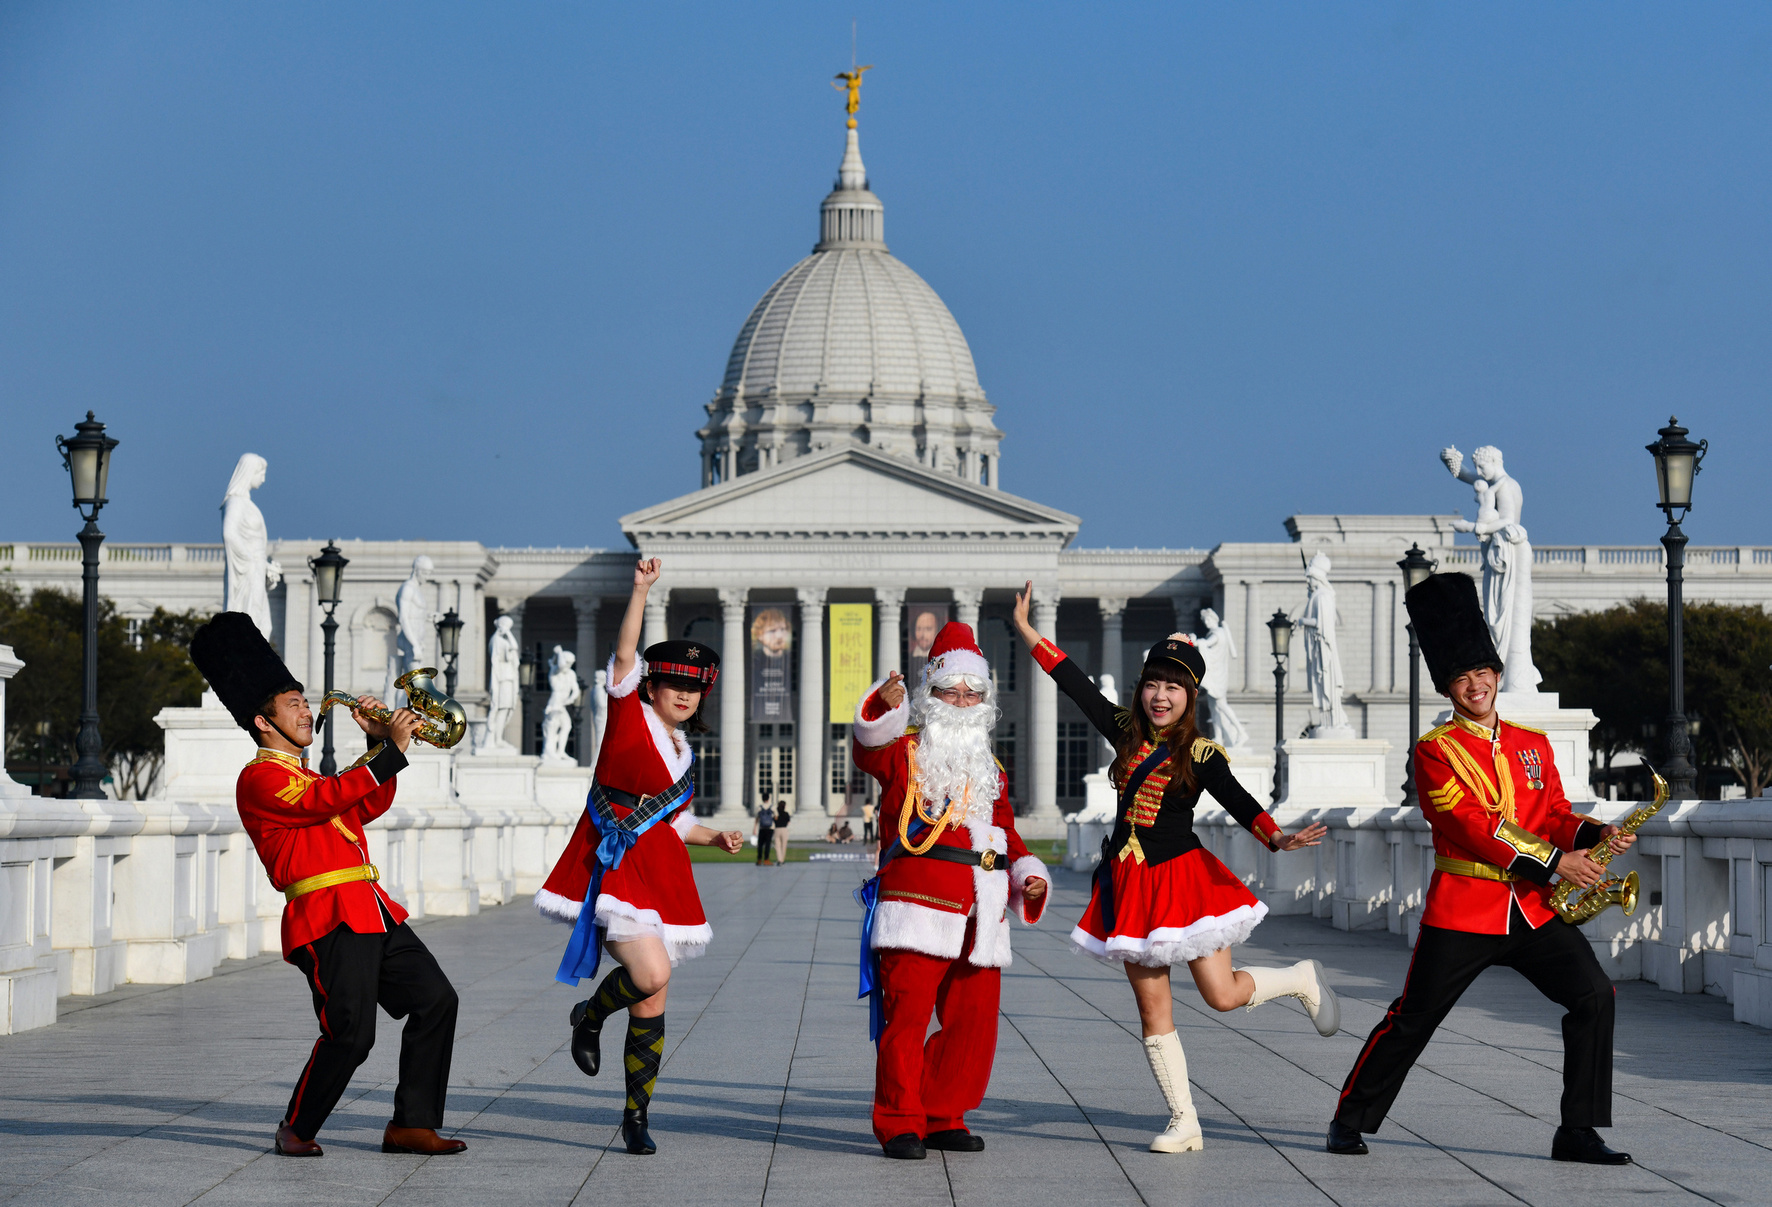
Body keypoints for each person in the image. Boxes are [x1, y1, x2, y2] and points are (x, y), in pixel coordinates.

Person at [1012, 583, 1337, 1155]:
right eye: (1153, 685)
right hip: (1130, 885)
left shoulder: (1201, 755)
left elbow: (1240, 802)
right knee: (1151, 1006)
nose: (1160, 697)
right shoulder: (1124, 732)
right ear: (1142, 690)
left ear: (1191, 696)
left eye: (1173, 688)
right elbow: (1076, 684)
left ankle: (1300, 979)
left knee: (1222, 995)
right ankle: (1183, 1120)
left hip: (1185, 881)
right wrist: (1029, 633)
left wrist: (1277, 837)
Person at [1327, 573, 1634, 1165]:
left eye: (1483, 673)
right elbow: (1475, 826)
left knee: (1595, 995)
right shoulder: (1435, 751)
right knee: (1413, 1019)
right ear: (1449, 687)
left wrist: (1595, 835)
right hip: (1465, 908)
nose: (1476, 685)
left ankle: (1577, 1131)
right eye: (1462, 677)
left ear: (1497, 675)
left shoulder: (1532, 744)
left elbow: (1552, 814)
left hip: (1532, 910)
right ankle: (1349, 1117)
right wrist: (1557, 864)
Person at [187, 612, 466, 1159]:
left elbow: (361, 804)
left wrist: (381, 746)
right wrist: (388, 752)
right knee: (352, 1033)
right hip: (326, 917)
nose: (306, 710)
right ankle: (297, 1125)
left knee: (437, 1000)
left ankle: (412, 1124)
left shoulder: (313, 776)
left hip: (372, 908)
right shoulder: (260, 777)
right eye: (292, 704)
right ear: (263, 722)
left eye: (303, 700)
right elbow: (324, 803)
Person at [535, 558, 745, 1155]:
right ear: (651, 687)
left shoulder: (683, 754)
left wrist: (718, 838)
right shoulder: (628, 715)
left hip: (662, 873)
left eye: (695, 687)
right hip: (617, 865)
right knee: (649, 973)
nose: (685, 694)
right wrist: (640, 590)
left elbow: (679, 824)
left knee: (653, 998)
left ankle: (635, 1116)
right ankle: (589, 1016)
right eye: (675, 684)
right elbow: (625, 655)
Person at [851, 620, 1049, 1160]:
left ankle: (943, 1114)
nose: (962, 701)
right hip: (916, 903)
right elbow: (866, 747)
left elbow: (1006, 832)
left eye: (972, 692)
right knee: (907, 1022)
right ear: (930, 695)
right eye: (951, 691)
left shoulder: (992, 769)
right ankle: (899, 1123)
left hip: (980, 909)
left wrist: (1025, 873)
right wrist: (878, 705)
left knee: (973, 1025)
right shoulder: (904, 752)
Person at [754, 793, 776, 867]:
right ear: (768, 798)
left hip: (762, 828)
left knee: (760, 844)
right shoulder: (772, 807)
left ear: (762, 799)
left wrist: (754, 828)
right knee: (767, 844)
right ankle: (766, 860)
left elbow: (757, 818)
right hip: (770, 828)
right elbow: (776, 817)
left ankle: (759, 859)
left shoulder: (759, 807)